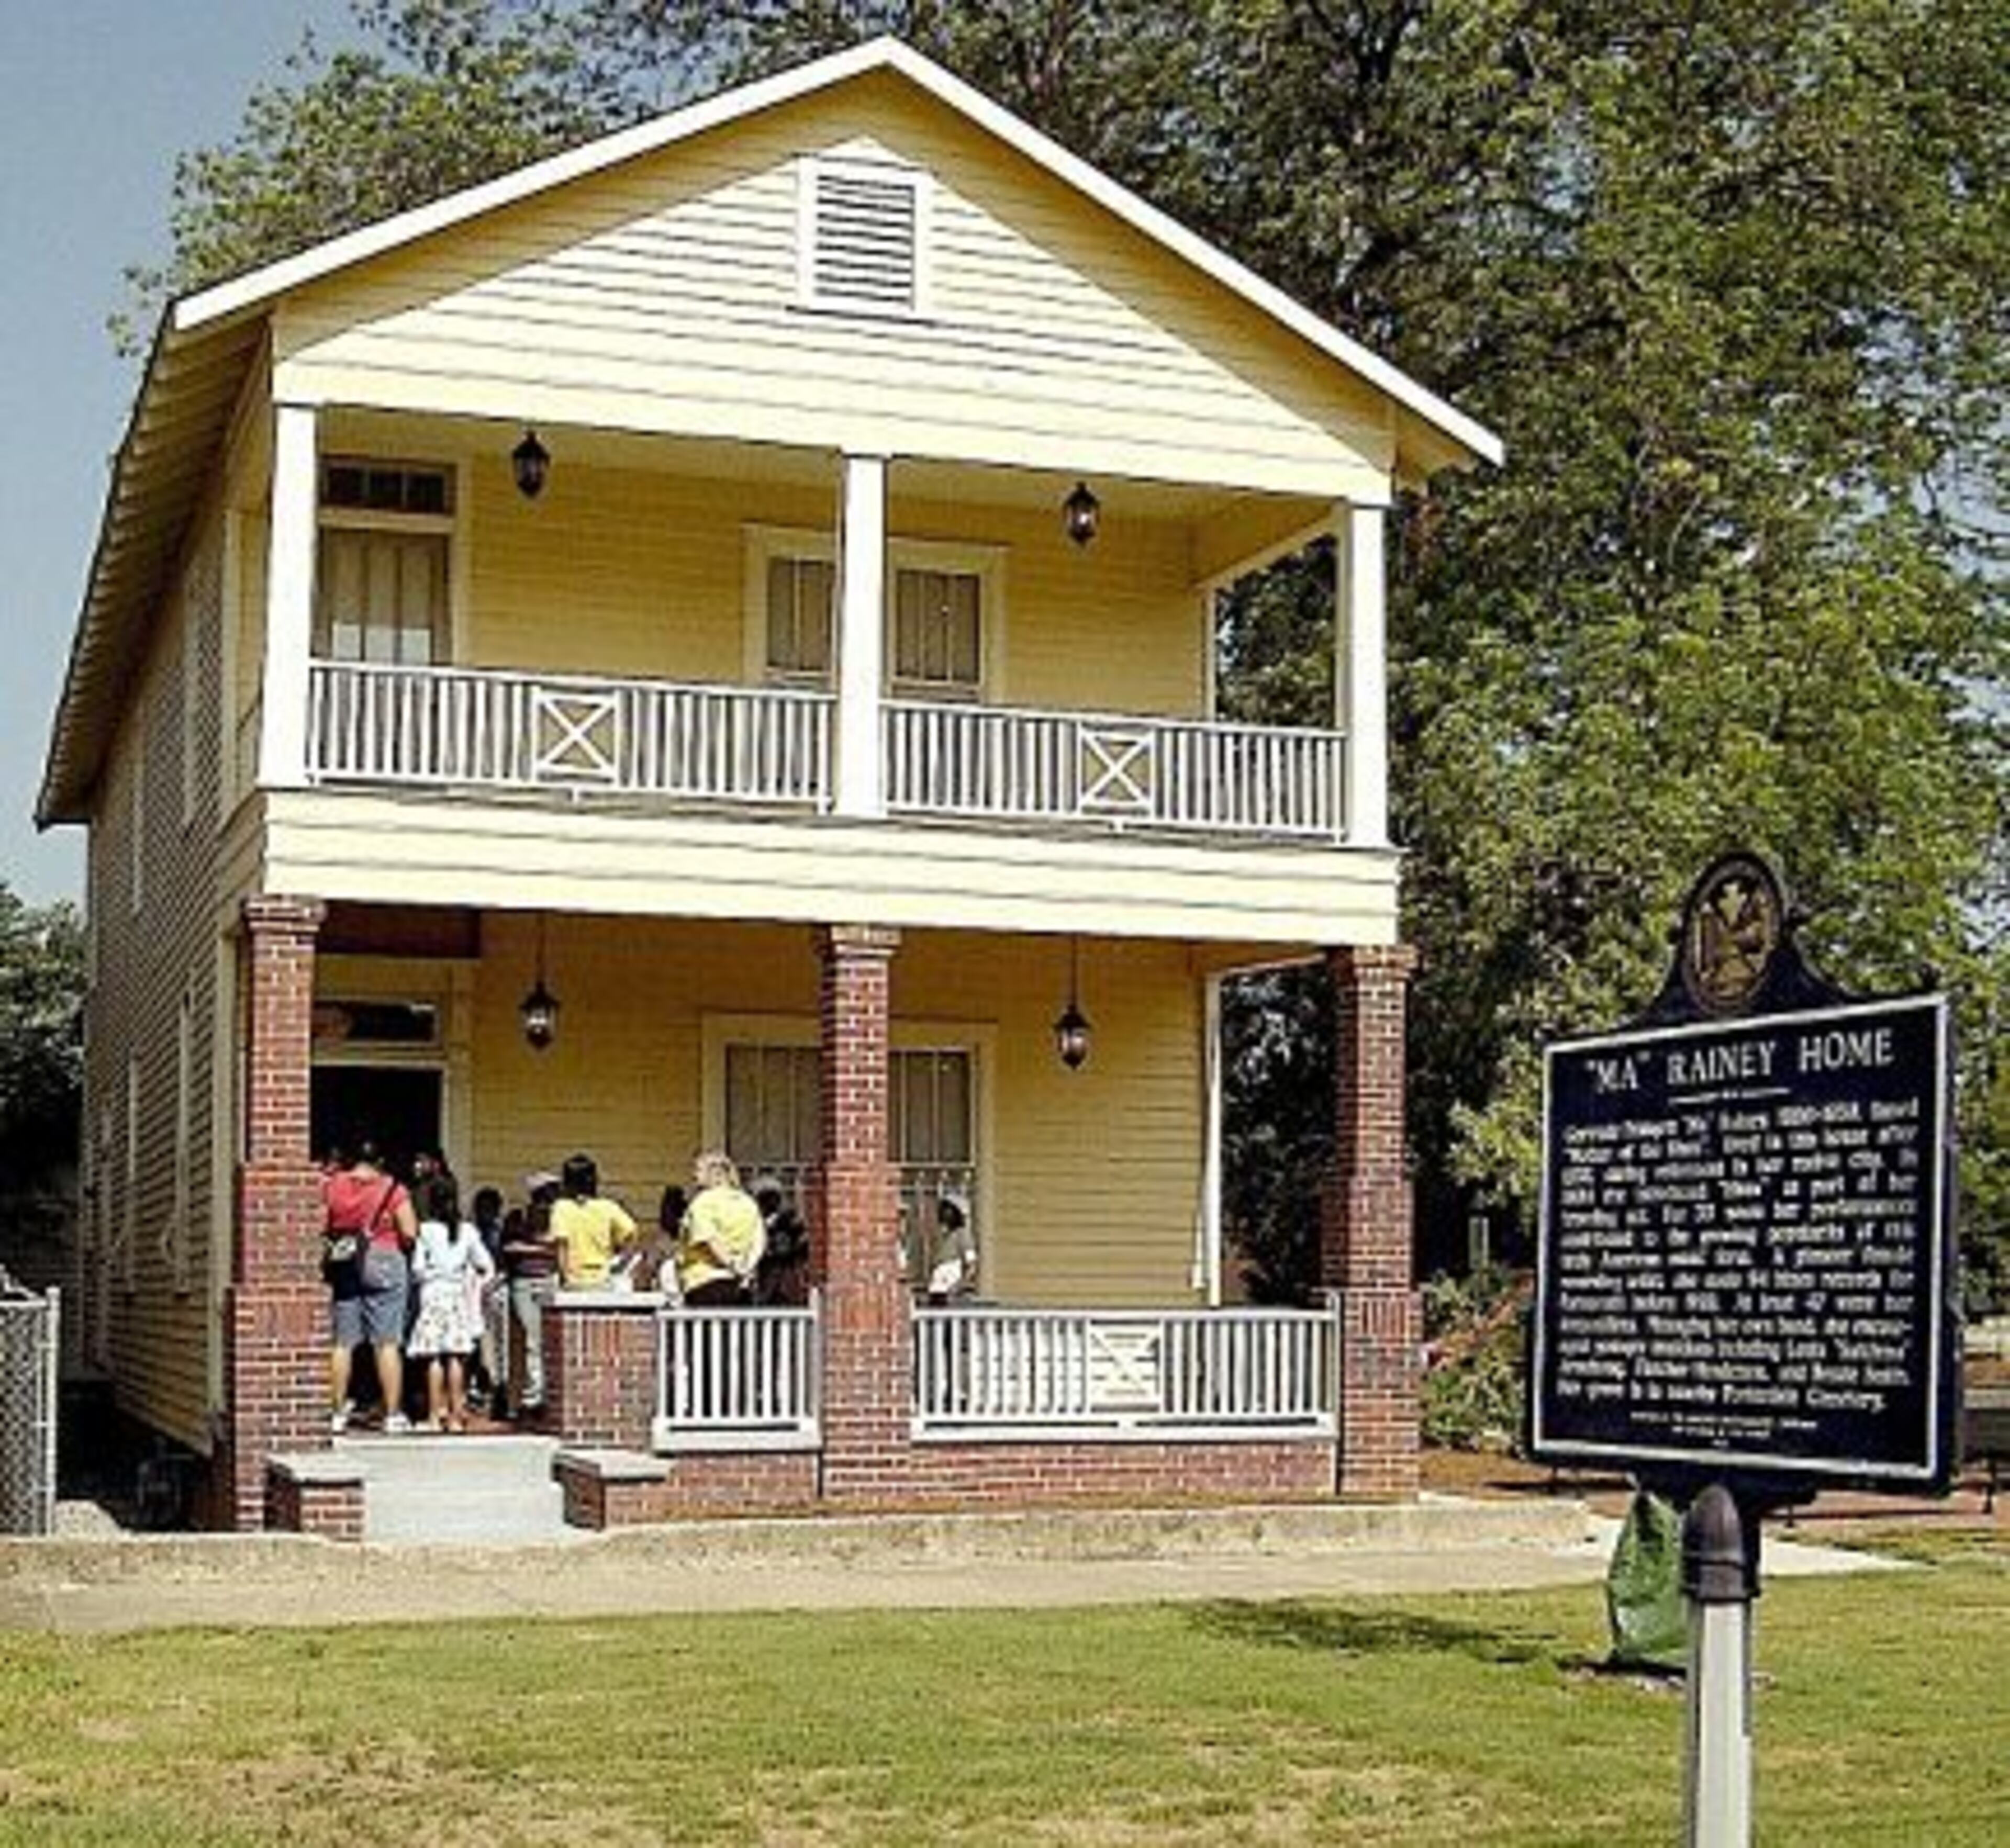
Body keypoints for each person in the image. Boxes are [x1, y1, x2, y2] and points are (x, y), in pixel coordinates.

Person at [323, 1140, 418, 1433]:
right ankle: (391, 1415)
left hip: (347, 1260)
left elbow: (324, 1223)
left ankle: (337, 1413)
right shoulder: (393, 1189)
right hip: (386, 1259)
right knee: (386, 1341)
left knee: (343, 1342)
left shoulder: (333, 1185)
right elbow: (410, 1232)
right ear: (380, 1161)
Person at [407, 1173, 495, 1432]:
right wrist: (475, 1287)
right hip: (457, 1296)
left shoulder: (425, 1230)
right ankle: (457, 1417)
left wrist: (429, 1277)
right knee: (457, 1356)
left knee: (432, 1356)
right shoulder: (468, 1231)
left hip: (433, 1294)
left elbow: (418, 1269)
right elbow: (486, 1266)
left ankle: (435, 1416)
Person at [501, 1172, 560, 1414]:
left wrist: (536, 1248)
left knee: (549, 1340)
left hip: (551, 1280)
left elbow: (562, 1247)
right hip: (524, 1283)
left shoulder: (561, 1217)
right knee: (532, 1340)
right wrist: (544, 1247)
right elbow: (509, 1247)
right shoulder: (519, 1217)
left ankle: (546, 1392)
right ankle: (533, 1394)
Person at [677, 1150, 765, 1306]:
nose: (694, 1175)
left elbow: (709, 1241)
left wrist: (731, 1265)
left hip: (705, 1285)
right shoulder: (748, 1203)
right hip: (742, 1287)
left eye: (698, 1170)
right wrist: (745, 1268)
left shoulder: (703, 1203)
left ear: (715, 1173)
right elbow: (759, 1242)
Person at [549, 1152, 638, 1290]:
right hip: (604, 1281)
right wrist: (620, 1264)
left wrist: (565, 1278)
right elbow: (631, 1234)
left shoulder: (562, 1208)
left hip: (574, 1281)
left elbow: (562, 1247)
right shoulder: (608, 1207)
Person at [752, 1175, 810, 1306]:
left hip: (783, 1280)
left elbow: (800, 1247)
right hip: (767, 1280)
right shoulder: (757, 1223)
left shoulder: (789, 1221)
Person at [925, 1189, 978, 1304]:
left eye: (950, 1210)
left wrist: (959, 1287)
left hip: (951, 1284)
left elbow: (971, 1265)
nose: (946, 1214)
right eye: (944, 1210)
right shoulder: (941, 1237)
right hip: (937, 1286)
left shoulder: (963, 1234)